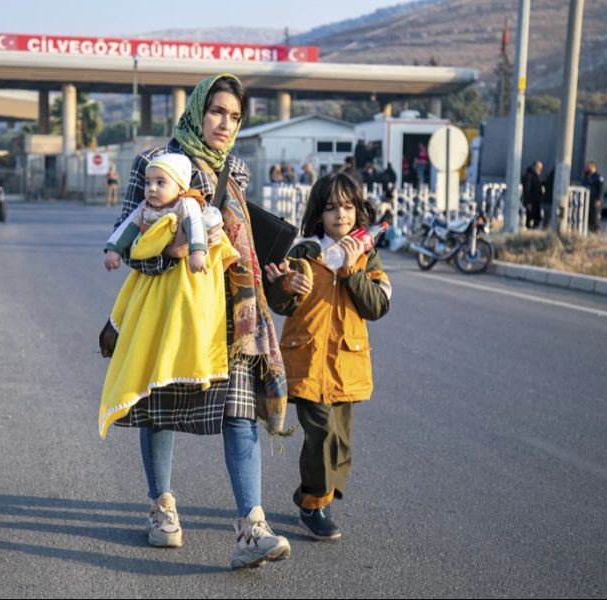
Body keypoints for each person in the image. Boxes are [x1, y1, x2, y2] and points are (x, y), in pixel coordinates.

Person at [109, 73, 290, 570]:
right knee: (161, 408)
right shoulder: (153, 163)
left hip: (227, 318)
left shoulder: (237, 171)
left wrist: (269, 271)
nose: (225, 124)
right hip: (169, 314)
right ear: (196, 110)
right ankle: (161, 506)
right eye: (217, 112)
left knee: (239, 411)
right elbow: (125, 242)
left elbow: (240, 241)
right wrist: (181, 248)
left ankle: (252, 526)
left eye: (235, 116)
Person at [265, 172, 391, 540]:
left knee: (340, 442)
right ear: (319, 214)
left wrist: (352, 270)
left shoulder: (367, 255)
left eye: (348, 206)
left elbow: (377, 305)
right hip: (306, 360)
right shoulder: (304, 250)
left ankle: (314, 495)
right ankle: (314, 504)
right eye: (332, 207)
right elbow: (278, 301)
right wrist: (287, 283)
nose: (341, 214)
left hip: (346, 365)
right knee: (320, 435)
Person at [99, 152, 239, 434]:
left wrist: (197, 252)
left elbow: (196, 228)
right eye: (149, 183)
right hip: (153, 290)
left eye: (160, 183)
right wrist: (114, 250)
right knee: (154, 411)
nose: (151, 188)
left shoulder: (188, 204)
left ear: (179, 186)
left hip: (193, 287)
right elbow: (126, 229)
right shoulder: (144, 206)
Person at [582, 161, 604, 233]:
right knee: (588, 218)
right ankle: (589, 231)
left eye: (588, 166)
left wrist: (598, 200)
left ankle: (596, 232)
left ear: (593, 167)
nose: (586, 168)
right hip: (587, 200)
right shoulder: (586, 176)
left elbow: (601, 190)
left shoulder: (598, 177)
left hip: (595, 201)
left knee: (595, 218)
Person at [522, 160, 545, 229]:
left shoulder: (537, 176)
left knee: (537, 218)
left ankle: (533, 230)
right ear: (535, 167)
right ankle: (529, 231)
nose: (541, 170)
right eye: (539, 167)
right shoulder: (529, 176)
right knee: (530, 218)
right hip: (531, 201)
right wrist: (528, 202)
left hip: (537, 201)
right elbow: (527, 190)